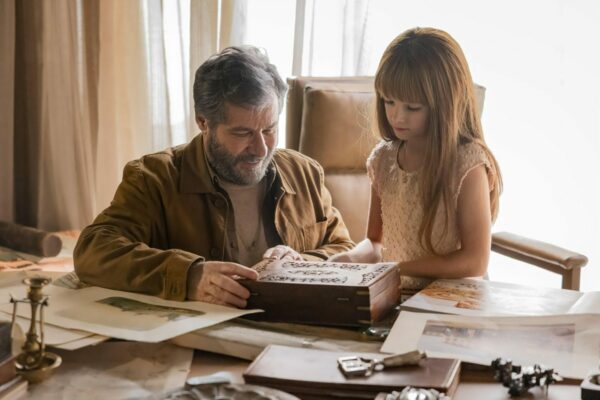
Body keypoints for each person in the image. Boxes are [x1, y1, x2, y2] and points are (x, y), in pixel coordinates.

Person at [74, 45, 354, 308]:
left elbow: (344, 248)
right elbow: (93, 251)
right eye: (242, 133)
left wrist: (302, 263)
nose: (261, 148)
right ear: (203, 122)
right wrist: (189, 276)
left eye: (269, 129)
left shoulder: (304, 172)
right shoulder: (153, 179)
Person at [329, 27, 502, 299]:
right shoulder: (382, 160)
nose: (398, 117)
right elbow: (375, 242)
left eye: (412, 108)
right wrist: (350, 259)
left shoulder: (467, 164)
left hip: (455, 302)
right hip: (396, 295)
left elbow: (475, 261)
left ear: (443, 105)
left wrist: (397, 269)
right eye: (389, 102)